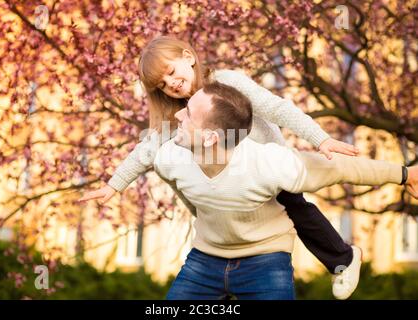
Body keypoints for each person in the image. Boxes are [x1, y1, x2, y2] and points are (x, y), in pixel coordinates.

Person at [79, 36, 364, 299]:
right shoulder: (180, 112)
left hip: (266, 170)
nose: (171, 84)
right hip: (228, 185)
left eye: (170, 72)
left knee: (296, 208)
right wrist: (114, 184)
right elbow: (148, 149)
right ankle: (223, 276)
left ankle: (344, 259)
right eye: (162, 85)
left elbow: (277, 108)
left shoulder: (226, 82)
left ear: (188, 56)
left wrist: (320, 139)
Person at [152, 82, 418, 300]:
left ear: (211, 138)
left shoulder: (270, 163)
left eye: (187, 113)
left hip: (265, 262)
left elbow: (341, 169)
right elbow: (189, 196)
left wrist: (405, 174)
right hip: (205, 261)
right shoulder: (168, 159)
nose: (176, 115)